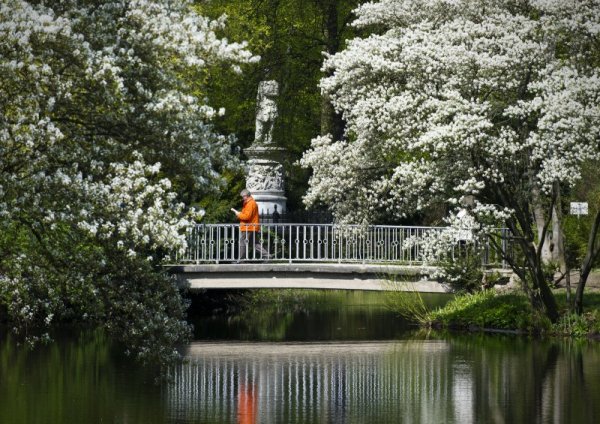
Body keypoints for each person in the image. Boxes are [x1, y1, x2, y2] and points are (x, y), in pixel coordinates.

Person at [231, 189, 270, 260]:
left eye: (243, 197)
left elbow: (247, 216)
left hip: (248, 227)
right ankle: (267, 256)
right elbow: (247, 215)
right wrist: (240, 214)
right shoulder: (250, 203)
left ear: (246, 196)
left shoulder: (250, 203)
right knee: (255, 243)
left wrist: (238, 214)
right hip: (251, 226)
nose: (242, 198)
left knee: (242, 242)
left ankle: (241, 259)